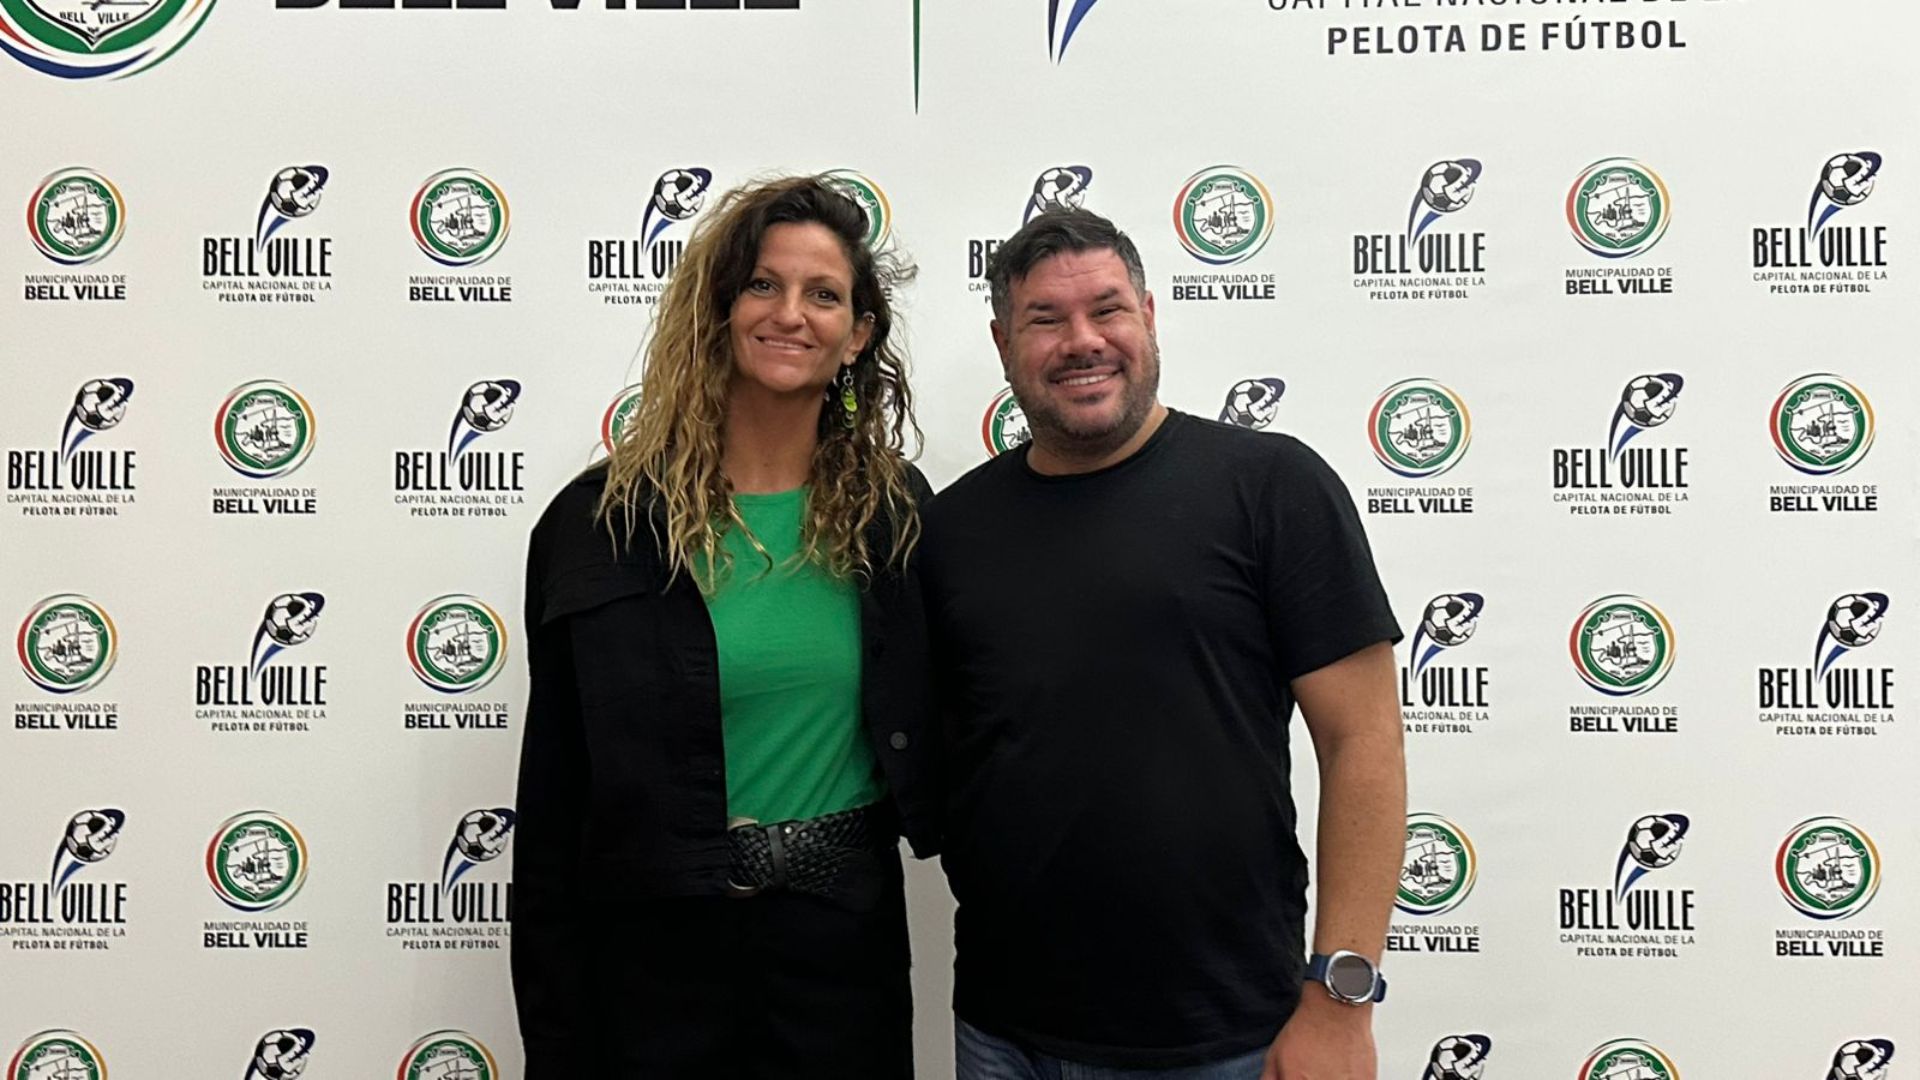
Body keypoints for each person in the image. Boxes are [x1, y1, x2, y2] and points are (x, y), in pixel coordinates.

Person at [921, 208, 1405, 1080]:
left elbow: (1362, 741)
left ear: (1148, 316)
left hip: (1222, 1035)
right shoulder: (953, 528)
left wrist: (1340, 1000)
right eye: (1045, 319)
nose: (1082, 341)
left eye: (1107, 310)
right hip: (1002, 1032)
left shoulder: (1272, 487)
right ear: (1003, 344)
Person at [512, 176, 939, 1080]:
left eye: (824, 294)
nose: (791, 314)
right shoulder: (599, 524)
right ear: (719, 309)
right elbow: (553, 808)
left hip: (841, 954)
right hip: (653, 962)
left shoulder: (895, 515)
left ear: (858, 334)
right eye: (762, 285)